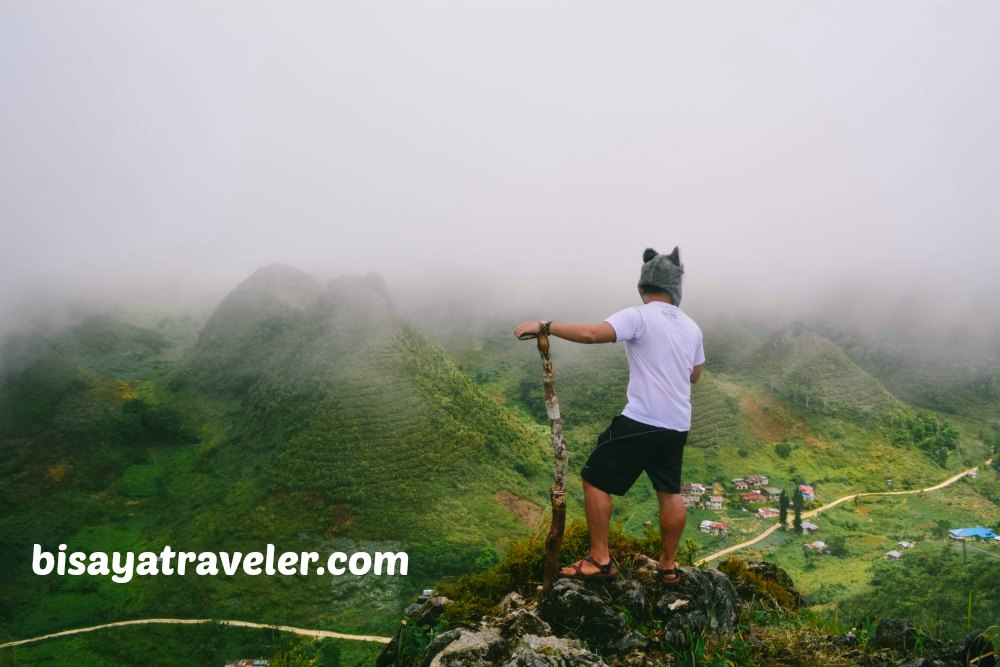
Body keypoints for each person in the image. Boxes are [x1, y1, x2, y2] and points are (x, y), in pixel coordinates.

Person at [513, 247, 704, 585]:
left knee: (595, 477)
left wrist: (547, 326)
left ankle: (600, 560)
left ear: (643, 288)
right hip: (677, 426)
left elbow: (592, 334)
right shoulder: (692, 328)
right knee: (670, 492)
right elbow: (695, 375)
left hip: (643, 419)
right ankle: (669, 565)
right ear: (676, 290)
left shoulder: (639, 316)